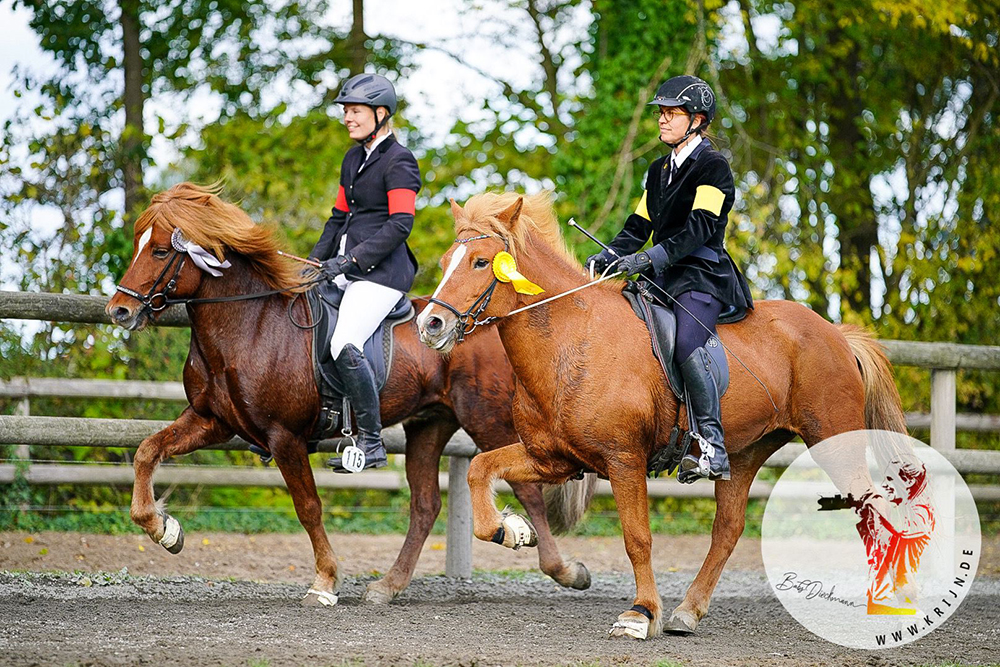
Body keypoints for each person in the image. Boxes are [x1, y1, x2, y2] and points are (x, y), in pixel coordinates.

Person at [587, 75, 753, 483]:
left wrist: (647, 258)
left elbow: (699, 228)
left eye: (671, 114)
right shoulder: (657, 170)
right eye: (661, 113)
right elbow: (638, 224)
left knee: (685, 340)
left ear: (696, 120)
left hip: (701, 275)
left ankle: (712, 446)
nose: (662, 120)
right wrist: (608, 255)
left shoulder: (714, 167)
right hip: (660, 276)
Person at [309, 73, 421, 472]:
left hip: (381, 275)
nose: (347, 118)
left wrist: (350, 261)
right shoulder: (352, 159)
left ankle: (372, 443)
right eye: (345, 111)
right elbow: (338, 217)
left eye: (354, 111)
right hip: (345, 268)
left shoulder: (400, 161)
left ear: (380, 113)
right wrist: (313, 263)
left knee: (344, 342)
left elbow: (400, 225)